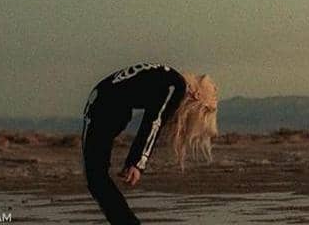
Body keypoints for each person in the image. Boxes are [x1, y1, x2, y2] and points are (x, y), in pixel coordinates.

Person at [81, 63, 219, 224]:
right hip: (104, 106)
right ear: (196, 96)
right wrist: (137, 163)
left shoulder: (169, 78)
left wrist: (135, 160)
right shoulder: (176, 85)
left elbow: (153, 118)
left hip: (102, 101)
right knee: (96, 178)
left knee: (96, 178)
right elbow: (155, 121)